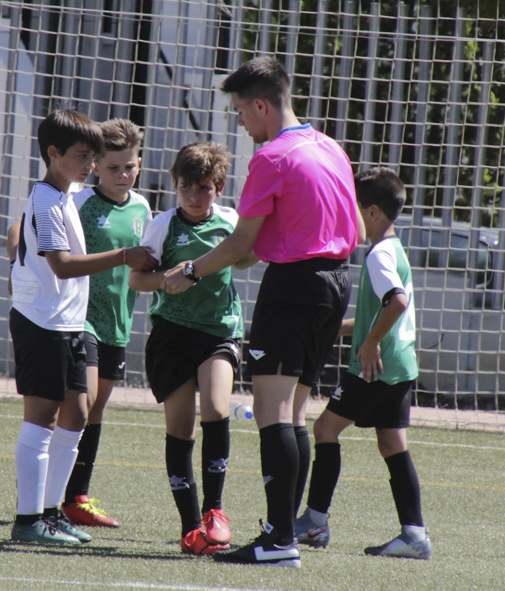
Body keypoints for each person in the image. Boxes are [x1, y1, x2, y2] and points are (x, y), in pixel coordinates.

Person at [161, 57, 365, 568]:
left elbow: (239, 245)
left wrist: (189, 271)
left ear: (260, 104)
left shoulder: (272, 157)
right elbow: (358, 231)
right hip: (337, 282)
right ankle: (285, 532)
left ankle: (277, 541)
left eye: (240, 112)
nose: (241, 124)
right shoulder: (331, 147)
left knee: (272, 414)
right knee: (295, 412)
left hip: (293, 287)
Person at [9, 108, 156, 546]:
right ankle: (28, 520)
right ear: (53, 154)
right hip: (44, 323)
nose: (91, 165)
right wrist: (125, 256)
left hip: (69, 324)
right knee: (41, 420)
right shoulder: (47, 199)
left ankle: (53, 512)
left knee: (78, 411)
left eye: (95, 156)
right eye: (83, 156)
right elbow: (62, 264)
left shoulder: (63, 193)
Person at [294, 168, 431, 559]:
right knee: (391, 443)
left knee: (324, 428)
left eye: (351, 208)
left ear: (371, 212)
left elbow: (397, 301)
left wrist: (369, 344)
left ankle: (316, 521)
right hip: (401, 365)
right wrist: (334, 328)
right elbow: (388, 309)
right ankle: (414, 534)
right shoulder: (395, 249)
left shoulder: (377, 255)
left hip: (377, 367)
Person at [129, 141, 259, 556]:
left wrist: (255, 244)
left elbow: (244, 258)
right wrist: (168, 278)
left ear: (218, 188)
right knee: (180, 428)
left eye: (203, 188)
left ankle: (214, 512)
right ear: (175, 185)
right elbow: (137, 280)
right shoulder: (163, 224)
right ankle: (191, 529)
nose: (194, 196)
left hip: (218, 332)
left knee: (217, 409)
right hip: (171, 335)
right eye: (186, 186)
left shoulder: (229, 222)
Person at [60, 119, 154, 528]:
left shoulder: (142, 207)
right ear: (96, 166)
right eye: (113, 168)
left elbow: (146, 261)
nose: (122, 175)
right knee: (81, 404)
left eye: (129, 167)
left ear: (139, 164)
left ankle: (75, 495)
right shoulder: (78, 202)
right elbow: (29, 233)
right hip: (81, 319)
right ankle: (60, 495)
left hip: (119, 323)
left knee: (94, 411)